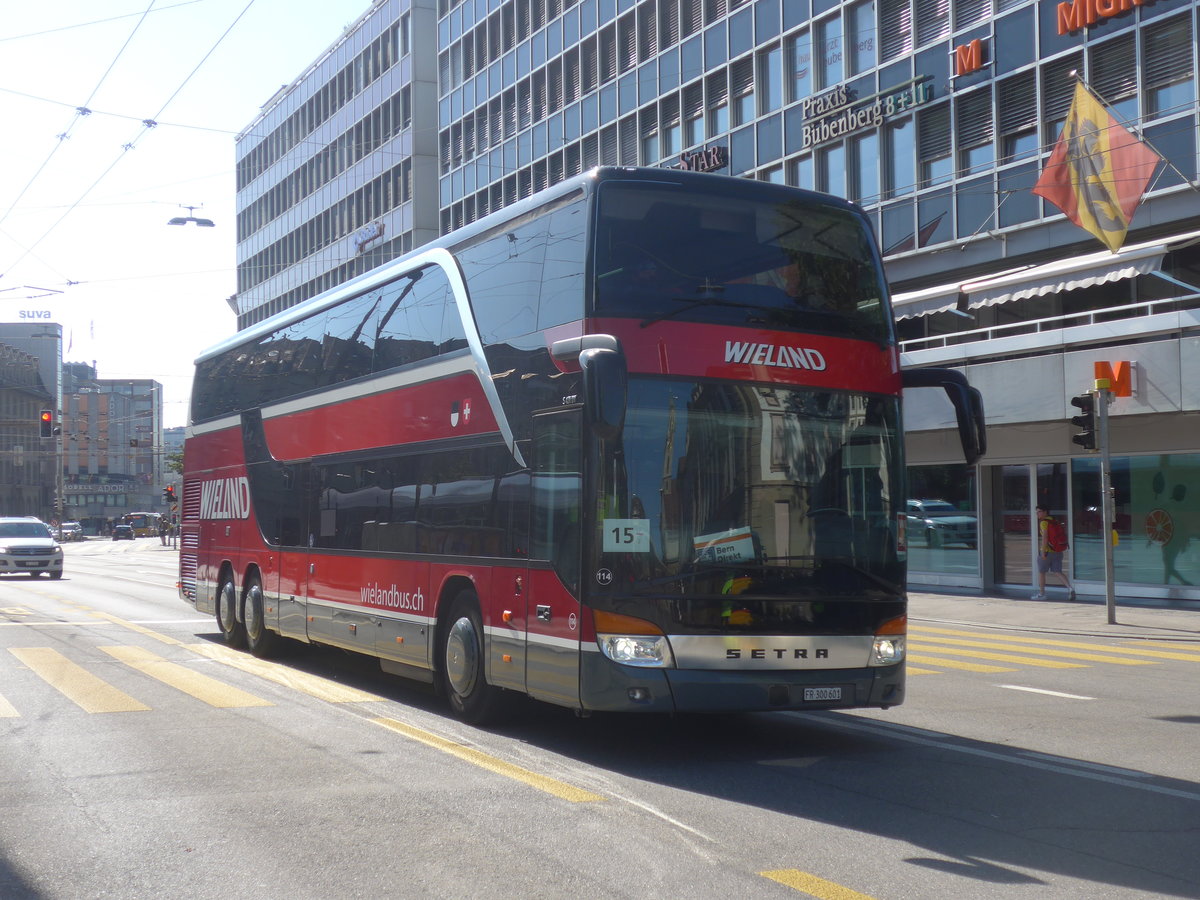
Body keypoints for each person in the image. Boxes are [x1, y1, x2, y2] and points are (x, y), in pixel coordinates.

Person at [1033, 505, 1075, 600]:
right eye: (1037, 512)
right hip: (1058, 550)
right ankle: (1070, 588)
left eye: (1039, 511)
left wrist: (1043, 552)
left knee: (1041, 572)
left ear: (1045, 512)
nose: (1037, 514)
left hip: (1047, 552)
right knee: (1057, 571)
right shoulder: (1054, 521)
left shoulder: (1043, 522)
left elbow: (1045, 538)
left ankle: (1042, 594)